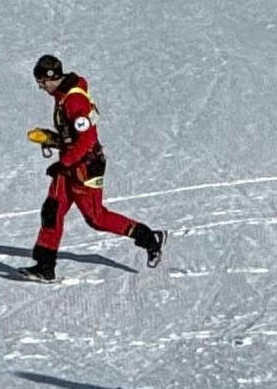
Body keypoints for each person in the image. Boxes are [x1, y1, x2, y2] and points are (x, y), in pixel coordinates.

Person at [17, 54, 166, 281]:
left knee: (96, 218)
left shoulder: (74, 101)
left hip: (84, 167)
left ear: (51, 78)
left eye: (41, 83)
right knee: (52, 210)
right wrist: (52, 139)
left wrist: (63, 163)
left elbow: (86, 140)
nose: (40, 87)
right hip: (69, 164)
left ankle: (148, 237)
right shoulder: (62, 95)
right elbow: (74, 136)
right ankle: (45, 266)